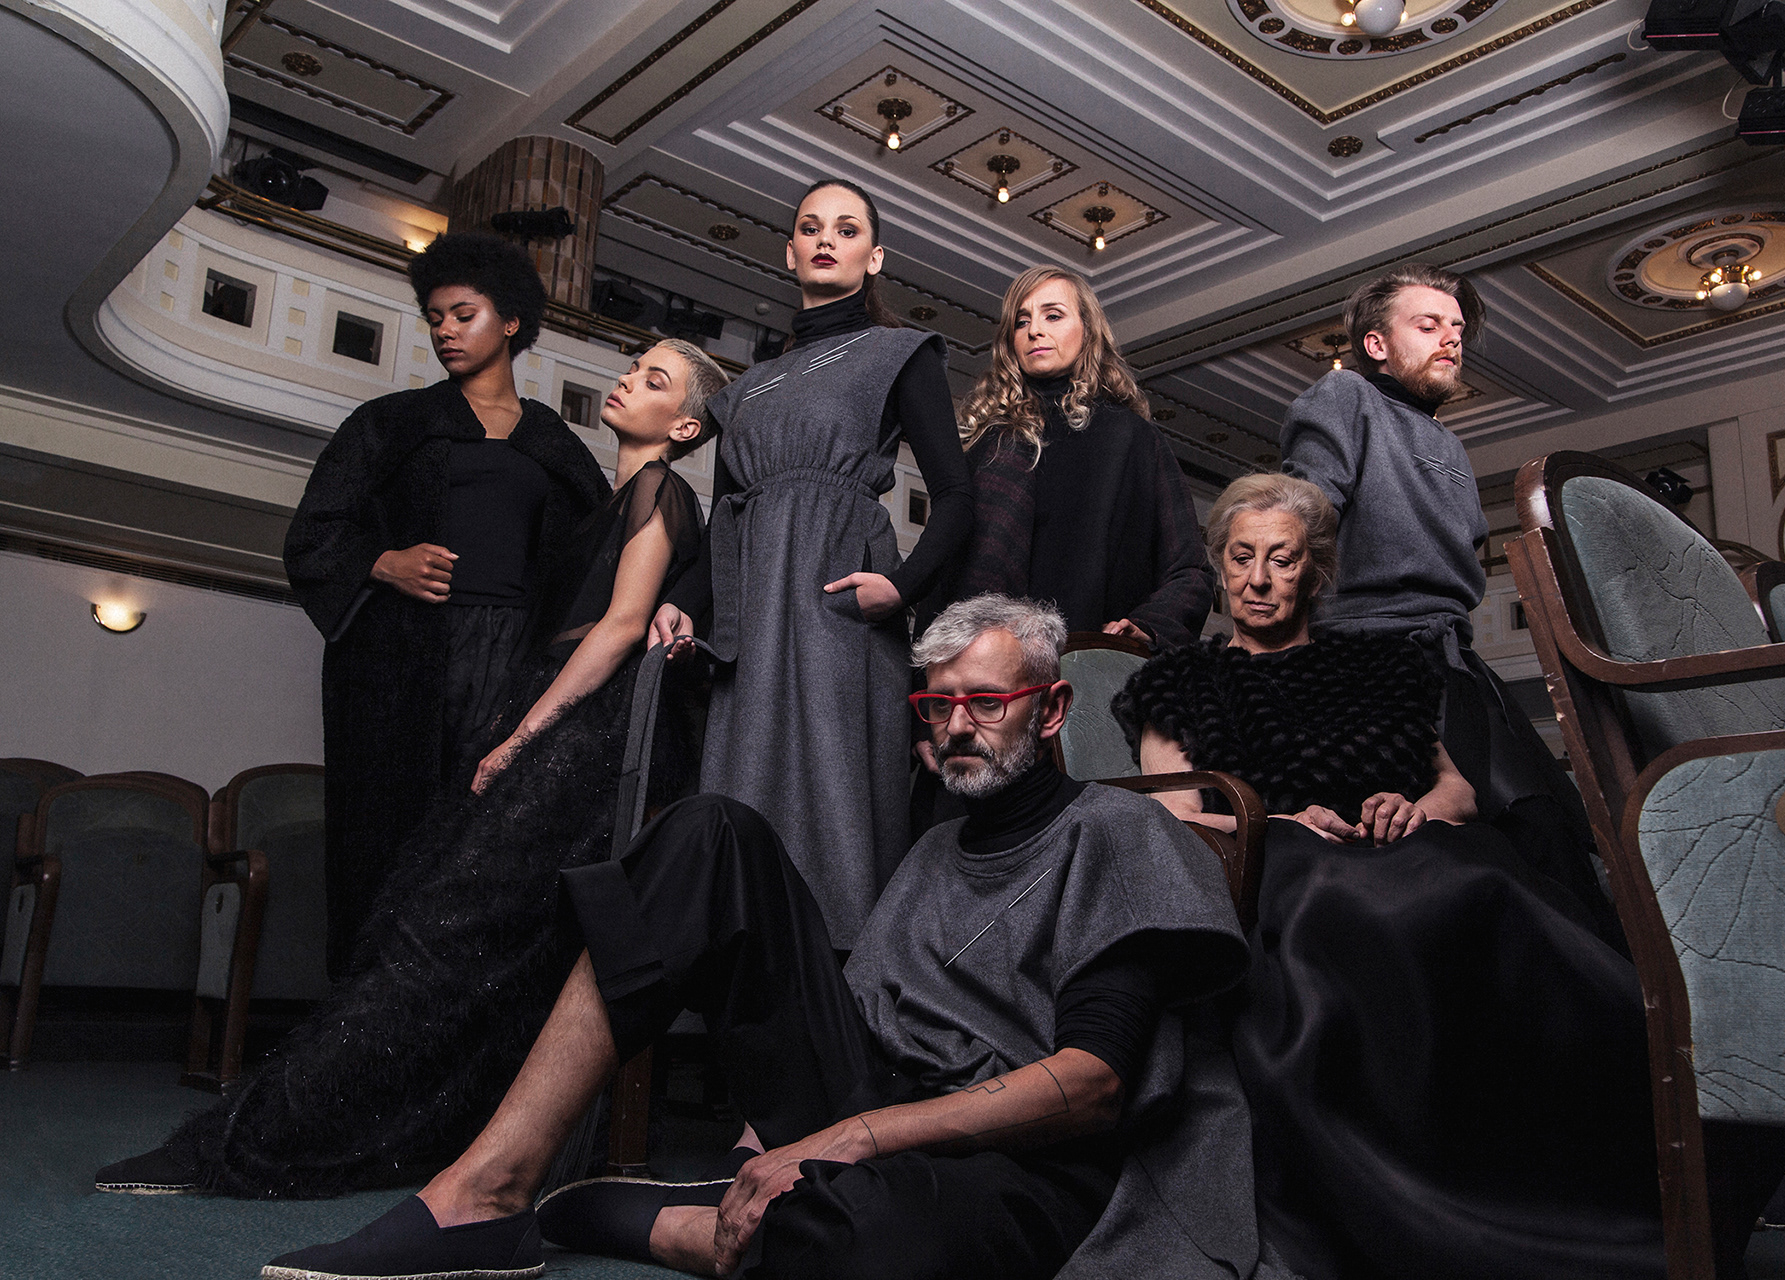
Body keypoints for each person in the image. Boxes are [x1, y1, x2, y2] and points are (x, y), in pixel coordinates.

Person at [256, 596, 1288, 1280]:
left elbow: (1093, 1085)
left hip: (1023, 1156)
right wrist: (790, 1131)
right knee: (710, 829)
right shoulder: (937, 849)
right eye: (937, 707)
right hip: (882, 1098)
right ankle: (491, 1189)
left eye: (987, 702)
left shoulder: (1118, 833)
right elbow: (867, 1011)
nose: (956, 728)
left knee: (866, 1244)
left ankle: (695, 1229)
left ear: (1052, 708)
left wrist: (850, 1139)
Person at [93, 341, 726, 1200]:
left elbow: (619, 628)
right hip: (553, 710)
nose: (626, 380)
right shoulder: (602, 500)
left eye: (654, 380)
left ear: (684, 427)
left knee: (443, 936)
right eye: (633, 366)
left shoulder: (660, 489)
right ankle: (324, 1127)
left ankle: (272, 1136)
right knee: (422, 925)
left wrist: (521, 737)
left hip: (589, 731)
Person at [1112, 473, 1779, 1280]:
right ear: (1220, 565)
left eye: (1281, 559)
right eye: (1241, 557)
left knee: (1492, 889)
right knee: (1365, 906)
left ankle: (1671, 1159)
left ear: (1314, 572)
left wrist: (1411, 806)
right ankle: (1447, 1212)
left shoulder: (1379, 665)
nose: (1258, 579)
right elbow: (1176, 812)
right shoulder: (1179, 681)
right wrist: (1282, 822)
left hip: (1410, 846)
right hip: (1281, 862)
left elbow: (1457, 791)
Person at [649, 178, 973, 949]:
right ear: (790, 252)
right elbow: (725, 518)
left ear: (874, 257)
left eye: (847, 229)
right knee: (744, 800)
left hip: (838, 614)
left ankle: (842, 998)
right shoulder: (744, 392)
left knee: (836, 817)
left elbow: (960, 499)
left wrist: (901, 587)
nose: (827, 239)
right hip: (753, 628)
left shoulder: (900, 354)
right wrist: (682, 599)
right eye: (811, 227)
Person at [285, 233, 607, 977]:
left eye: (464, 315)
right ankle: (364, 1015)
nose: (445, 332)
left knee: (493, 836)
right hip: (404, 661)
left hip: (515, 660)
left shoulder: (553, 442)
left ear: (512, 322)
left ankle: (470, 1015)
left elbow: (594, 560)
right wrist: (382, 562)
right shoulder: (390, 423)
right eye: (435, 319)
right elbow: (312, 534)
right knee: (391, 837)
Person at [1277, 263, 1600, 896]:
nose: (1451, 338)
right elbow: (1300, 523)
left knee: (1547, 829)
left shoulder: (1447, 443)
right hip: (1367, 663)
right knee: (1422, 860)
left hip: (1454, 665)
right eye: (1428, 326)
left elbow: (1468, 550)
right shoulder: (1345, 396)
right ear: (1377, 344)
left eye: (1456, 328)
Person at [931, 265, 1213, 650]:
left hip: (1090, 659)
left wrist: (1147, 628)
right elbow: (948, 574)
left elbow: (1190, 570)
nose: (1034, 330)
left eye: (1053, 316)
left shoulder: (1133, 439)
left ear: (1088, 330)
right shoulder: (987, 444)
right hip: (990, 660)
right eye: (1021, 321)